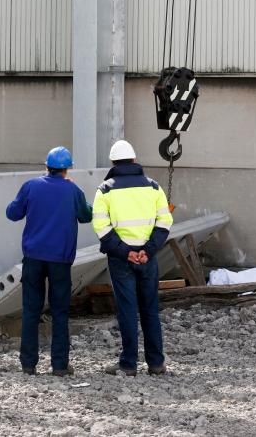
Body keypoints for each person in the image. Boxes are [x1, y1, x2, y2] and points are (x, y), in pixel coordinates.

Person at [6, 146, 92, 377]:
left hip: (33, 258)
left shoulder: (31, 186)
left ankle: (28, 364)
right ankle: (60, 365)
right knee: (60, 312)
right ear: (66, 169)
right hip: (61, 260)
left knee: (31, 310)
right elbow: (86, 216)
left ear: (47, 167)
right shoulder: (73, 190)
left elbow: (12, 213)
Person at [92, 139, 173, 377]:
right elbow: (164, 222)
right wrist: (147, 251)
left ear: (112, 162)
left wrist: (125, 252)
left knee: (127, 310)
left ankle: (128, 364)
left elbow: (101, 227)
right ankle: (156, 364)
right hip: (148, 258)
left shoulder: (105, 190)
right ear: (135, 160)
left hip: (121, 259)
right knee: (150, 309)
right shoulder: (153, 187)